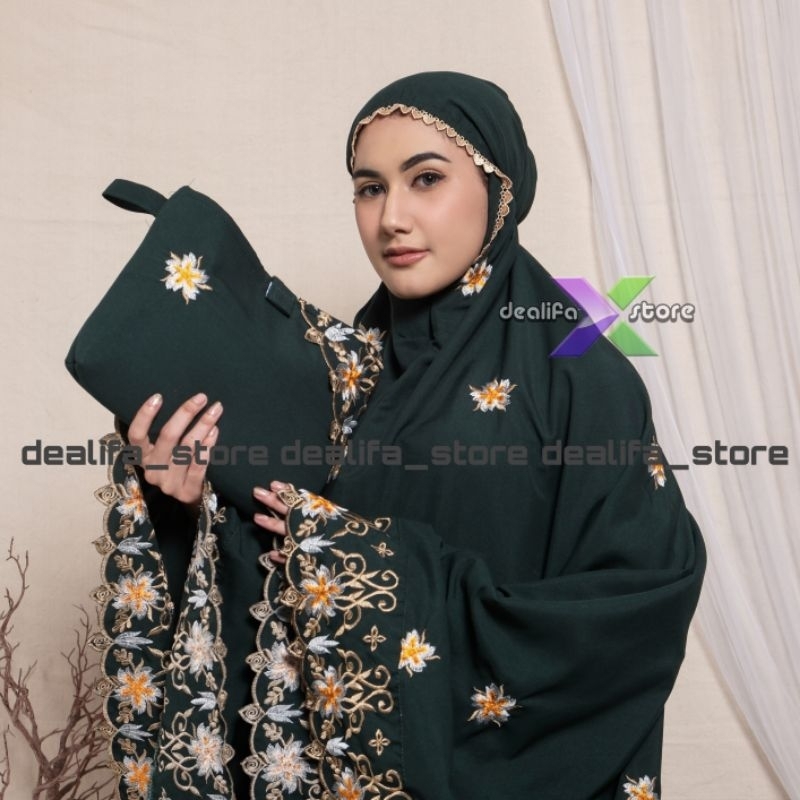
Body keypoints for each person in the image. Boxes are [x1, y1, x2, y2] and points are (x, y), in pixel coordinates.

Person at [99, 71, 705, 799]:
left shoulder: (577, 376)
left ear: (500, 189)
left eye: (426, 179)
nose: (392, 217)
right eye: (369, 188)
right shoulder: (343, 372)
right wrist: (188, 507)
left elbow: (637, 603)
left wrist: (360, 564)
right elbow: (274, 574)